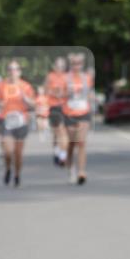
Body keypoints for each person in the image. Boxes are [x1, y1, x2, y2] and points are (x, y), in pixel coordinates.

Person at [0, 60, 35, 187]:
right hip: (6, 120)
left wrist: (26, 100)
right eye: (10, 69)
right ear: (7, 71)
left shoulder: (26, 86)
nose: (13, 71)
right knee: (7, 151)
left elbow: (33, 104)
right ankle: (8, 168)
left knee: (18, 153)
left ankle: (17, 175)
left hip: (21, 121)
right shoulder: (1, 86)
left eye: (15, 69)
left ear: (19, 72)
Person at [62, 52, 94, 185]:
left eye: (79, 63)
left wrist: (92, 98)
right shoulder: (64, 78)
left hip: (83, 112)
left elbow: (90, 93)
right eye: (74, 63)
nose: (76, 66)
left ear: (82, 64)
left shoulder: (87, 77)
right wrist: (67, 93)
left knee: (81, 142)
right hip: (69, 112)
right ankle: (70, 167)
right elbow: (58, 94)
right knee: (72, 143)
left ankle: (81, 171)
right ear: (70, 65)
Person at [45, 57, 69, 167]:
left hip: (66, 107)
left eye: (62, 66)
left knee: (63, 132)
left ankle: (62, 156)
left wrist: (64, 94)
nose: (60, 68)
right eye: (58, 66)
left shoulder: (68, 77)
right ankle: (57, 151)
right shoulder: (50, 76)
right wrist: (55, 93)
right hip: (54, 106)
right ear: (54, 67)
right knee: (57, 133)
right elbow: (46, 90)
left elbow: (71, 92)